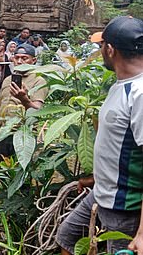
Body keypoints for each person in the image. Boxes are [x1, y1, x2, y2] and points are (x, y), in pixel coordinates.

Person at [56, 16, 143, 255]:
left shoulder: (139, 93)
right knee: (67, 239)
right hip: (102, 193)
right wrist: (94, 179)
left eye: (101, 45)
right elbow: (119, 146)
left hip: (124, 205)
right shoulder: (122, 85)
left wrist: (142, 234)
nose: (100, 50)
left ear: (111, 50)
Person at [0, 44, 49, 163]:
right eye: (17, 57)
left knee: (21, 172)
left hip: (24, 135)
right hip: (4, 133)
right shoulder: (7, 80)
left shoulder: (39, 81)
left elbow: (37, 111)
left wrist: (24, 99)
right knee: (3, 173)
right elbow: (1, 106)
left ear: (34, 60)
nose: (20, 61)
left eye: (24, 58)